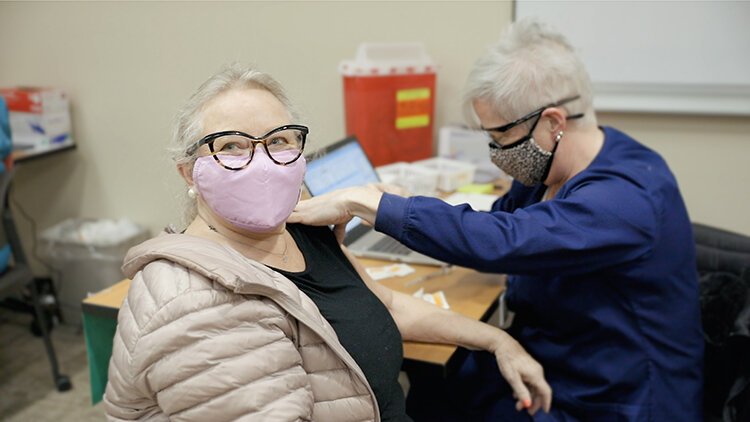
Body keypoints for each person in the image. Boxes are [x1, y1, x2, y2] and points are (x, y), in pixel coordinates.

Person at [289, 19, 704, 421]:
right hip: (564, 360)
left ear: (553, 123)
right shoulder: (553, 171)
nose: (494, 153)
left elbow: (508, 239)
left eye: (501, 139)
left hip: (614, 398)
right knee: (437, 384)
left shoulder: (626, 197)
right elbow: (495, 223)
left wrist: (372, 206)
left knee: (436, 387)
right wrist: (398, 203)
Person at [103, 63, 552, 421]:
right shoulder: (194, 302)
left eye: (278, 140)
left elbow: (387, 306)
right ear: (188, 172)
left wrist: (497, 341)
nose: (262, 162)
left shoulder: (298, 229)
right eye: (232, 146)